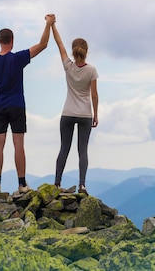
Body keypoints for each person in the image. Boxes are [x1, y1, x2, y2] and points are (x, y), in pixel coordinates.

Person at [0, 14, 56, 194]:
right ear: (12, 41)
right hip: (17, 104)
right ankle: (22, 184)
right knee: (18, 144)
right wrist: (48, 24)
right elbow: (43, 45)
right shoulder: (18, 58)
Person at [50, 19, 99, 195]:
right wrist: (96, 115)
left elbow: (59, 44)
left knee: (64, 148)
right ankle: (82, 185)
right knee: (82, 150)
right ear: (86, 52)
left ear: (74, 51)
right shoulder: (91, 70)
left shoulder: (68, 66)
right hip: (85, 114)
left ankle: (56, 184)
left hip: (68, 113)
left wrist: (52, 25)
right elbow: (93, 94)